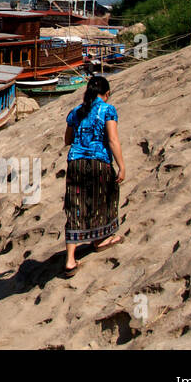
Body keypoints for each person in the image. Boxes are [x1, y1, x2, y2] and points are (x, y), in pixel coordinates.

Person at [62, 74, 125, 273]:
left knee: (75, 206)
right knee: (104, 199)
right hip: (99, 162)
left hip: (75, 163)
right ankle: (100, 239)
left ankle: (70, 260)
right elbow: (113, 140)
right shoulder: (108, 110)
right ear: (106, 94)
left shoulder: (76, 112)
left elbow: (67, 139)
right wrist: (122, 165)